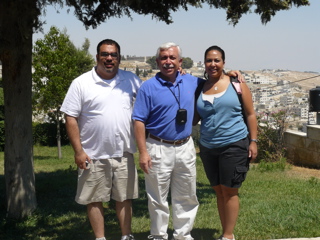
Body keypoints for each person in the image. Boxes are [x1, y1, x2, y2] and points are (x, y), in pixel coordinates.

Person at [132, 42, 243, 240]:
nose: (168, 62)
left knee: (186, 195)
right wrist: (143, 152)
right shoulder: (147, 87)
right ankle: (158, 235)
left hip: (185, 146)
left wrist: (231, 74)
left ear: (180, 61)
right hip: (157, 147)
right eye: (164, 58)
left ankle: (183, 235)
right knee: (157, 197)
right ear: (157, 61)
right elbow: (139, 120)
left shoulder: (192, 82)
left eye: (172, 58)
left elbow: (214, 81)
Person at [60, 39, 141, 240]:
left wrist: (178, 74)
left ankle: (126, 236)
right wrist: (78, 151)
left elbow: (149, 103)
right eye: (105, 54)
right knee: (94, 199)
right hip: (92, 153)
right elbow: (70, 117)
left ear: (119, 58)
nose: (109, 58)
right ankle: (100, 238)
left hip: (123, 153)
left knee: (124, 198)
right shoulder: (81, 83)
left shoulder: (131, 80)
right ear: (97, 57)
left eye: (113, 55)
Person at [193, 45, 258, 240]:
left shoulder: (236, 84)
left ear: (223, 62)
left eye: (216, 60)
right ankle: (225, 231)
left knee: (230, 190)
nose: (212, 64)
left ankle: (228, 235)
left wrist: (253, 141)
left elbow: (250, 114)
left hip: (234, 143)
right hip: (208, 147)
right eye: (209, 60)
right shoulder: (199, 87)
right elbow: (195, 117)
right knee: (218, 190)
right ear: (204, 63)